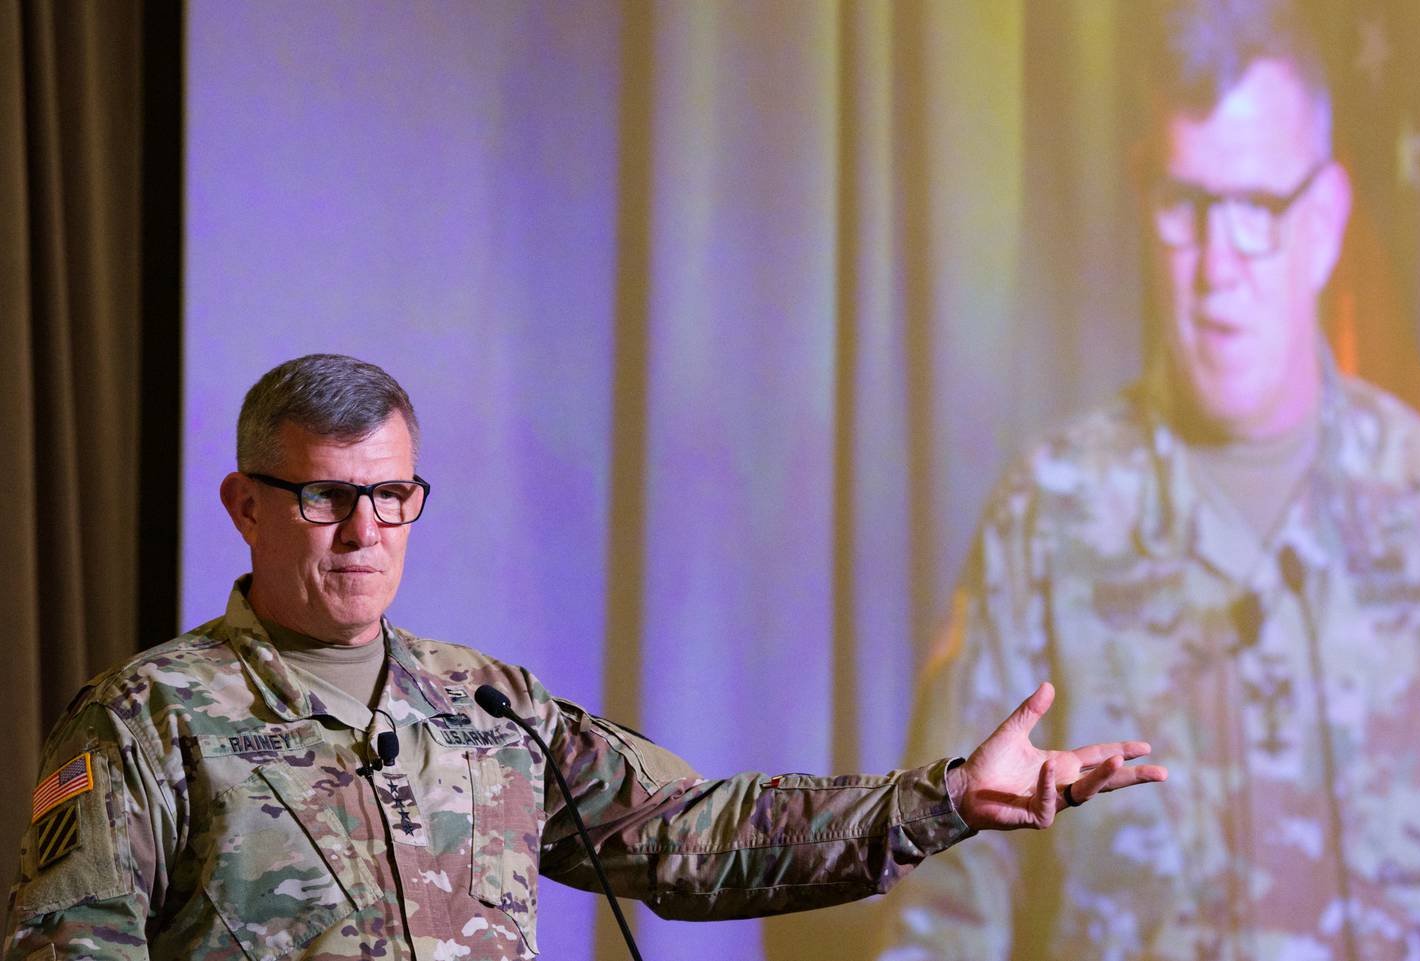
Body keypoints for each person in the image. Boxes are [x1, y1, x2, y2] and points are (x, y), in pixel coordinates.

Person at [3, 354, 1164, 961]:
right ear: (244, 504)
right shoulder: (144, 719)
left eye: (391, 496)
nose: (364, 533)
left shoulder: (485, 707)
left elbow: (695, 836)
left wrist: (947, 795)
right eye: (324, 499)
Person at [879, 3, 1420, 960]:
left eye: (1259, 209)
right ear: (1145, 198)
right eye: (1186, 203)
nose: (1220, 266)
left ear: (1328, 218)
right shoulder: (1049, 515)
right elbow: (944, 917)